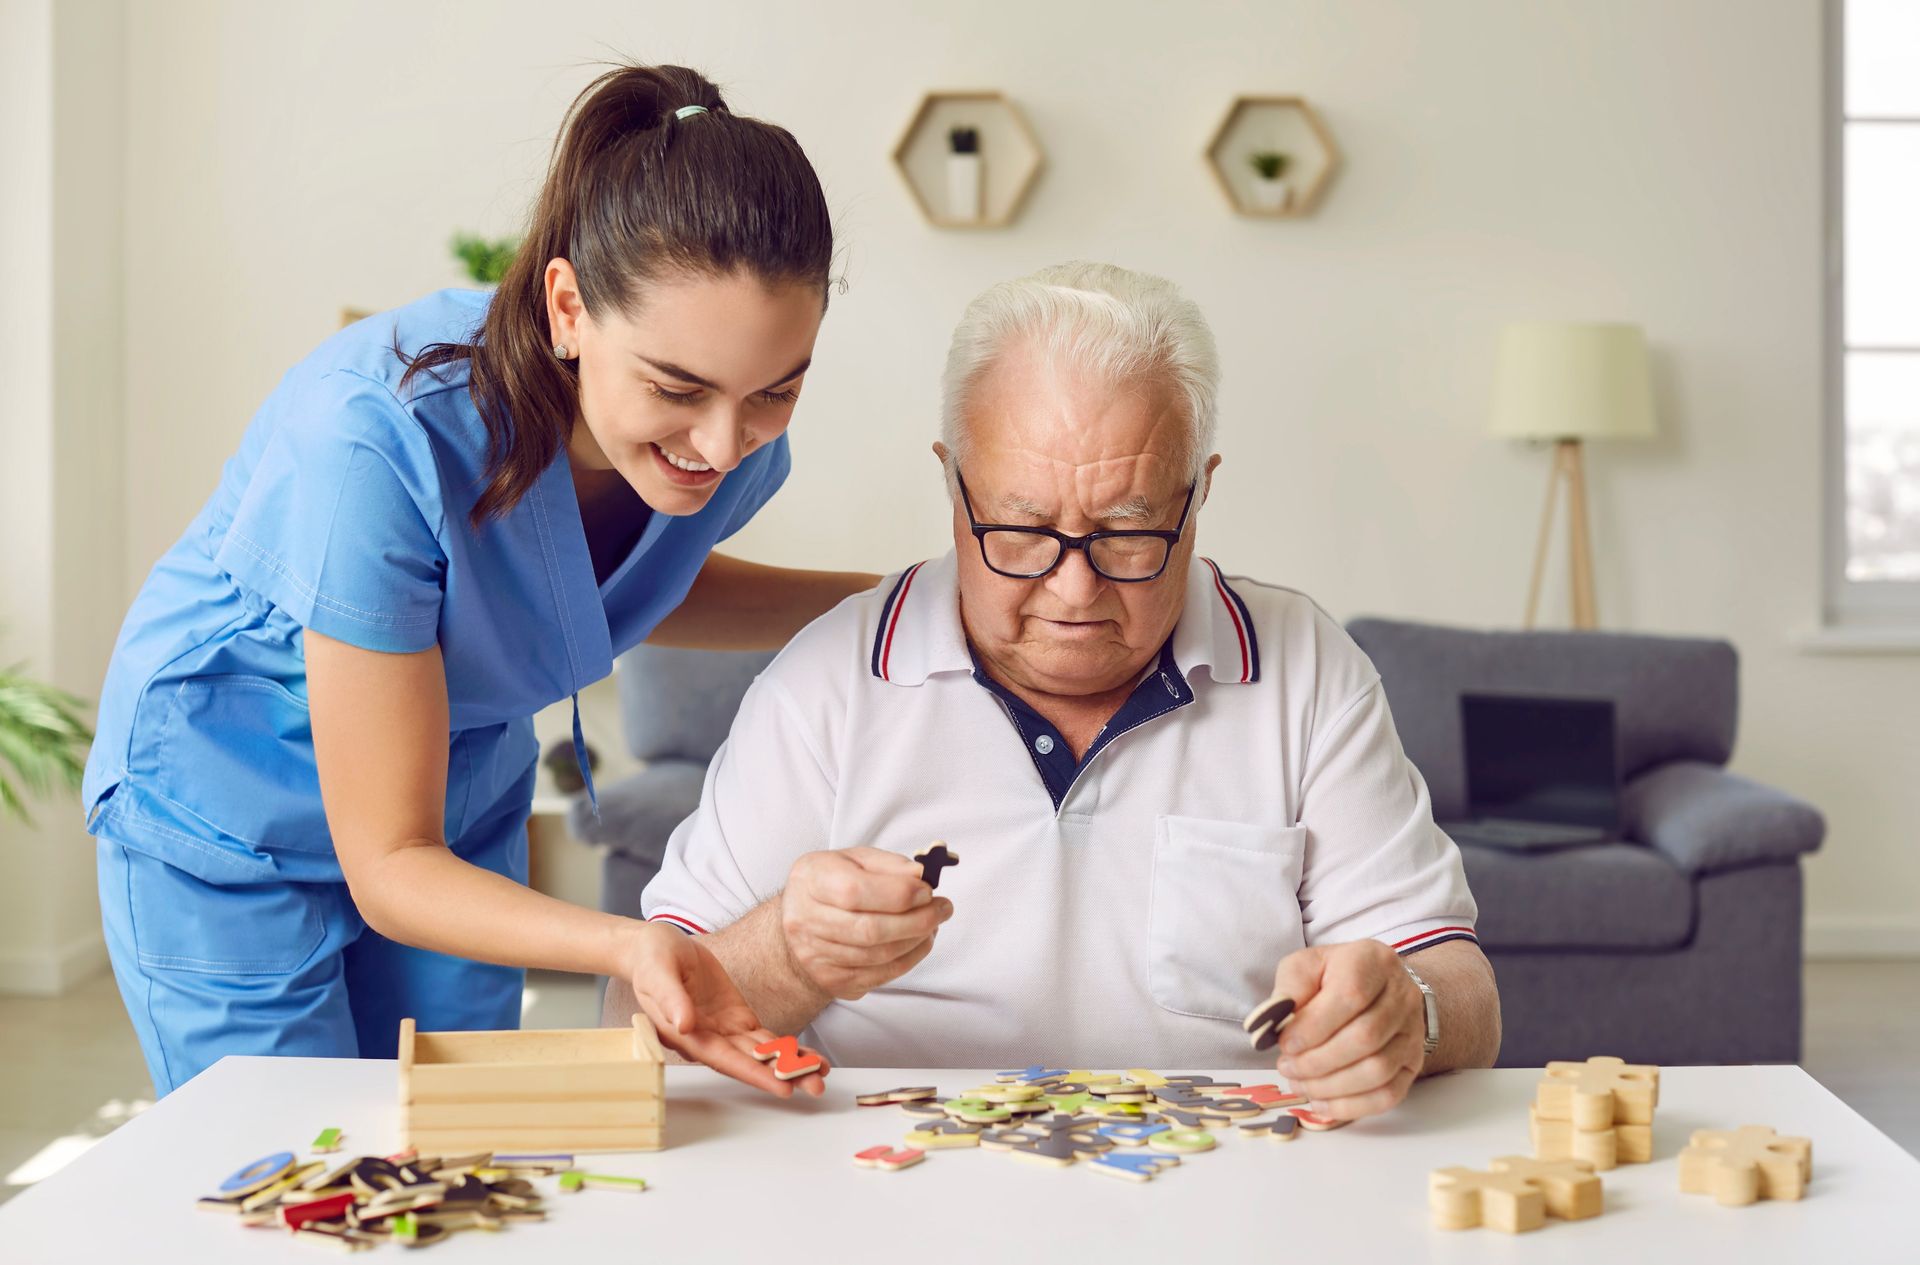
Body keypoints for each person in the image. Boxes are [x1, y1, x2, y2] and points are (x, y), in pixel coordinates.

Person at [84, 64, 868, 1097]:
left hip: (453, 803)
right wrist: (630, 947)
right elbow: (391, 857)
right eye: (678, 387)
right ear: (569, 306)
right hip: (231, 808)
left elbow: (626, 584)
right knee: (297, 1158)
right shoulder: (378, 438)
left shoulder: (718, 445)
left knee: (464, 1134)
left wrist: (906, 598)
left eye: (777, 388)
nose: (724, 442)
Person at [613, 262, 1501, 1120]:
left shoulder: (1308, 667)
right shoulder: (825, 682)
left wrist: (1408, 1013)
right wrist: (787, 956)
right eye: (1023, 528)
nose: (1074, 591)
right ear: (952, 486)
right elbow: (632, 1018)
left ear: (1199, 495)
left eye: (1128, 531)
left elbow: (1464, 990)